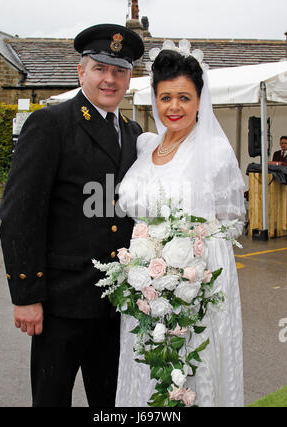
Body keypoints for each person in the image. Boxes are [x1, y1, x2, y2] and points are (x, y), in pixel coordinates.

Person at [0, 23, 144, 407]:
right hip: (61, 303)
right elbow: (20, 214)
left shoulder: (133, 133)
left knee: (110, 403)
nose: (109, 79)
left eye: (119, 71)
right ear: (81, 72)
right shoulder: (51, 124)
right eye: (100, 68)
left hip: (116, 307)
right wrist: (26, 294)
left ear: (130, 78)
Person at [116, 43, 245, 407]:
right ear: (155, 99)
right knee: (147, 372)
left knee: (187, 376)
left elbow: (230, 223)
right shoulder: (145, 146)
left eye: (185, 97)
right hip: (144, 290)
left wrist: (186, 271)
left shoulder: (214, 153)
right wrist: (149, 269)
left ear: (200, 100)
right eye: (166, 97)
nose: (174, 107)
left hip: (193, 291)